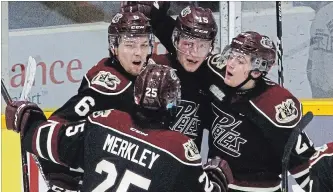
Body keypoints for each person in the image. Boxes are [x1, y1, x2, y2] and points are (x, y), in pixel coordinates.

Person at [5, 64, 232, 192]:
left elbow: (47, 141)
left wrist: (28, 119)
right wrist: (217, 178)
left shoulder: (103, 122)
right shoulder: (180, 150)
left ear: (136, 96)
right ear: (174, 105)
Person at [14, 11, 156, 191]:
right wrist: (34, 127)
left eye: (144, 45)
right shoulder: (108, 86)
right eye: (130, 45)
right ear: (114, 47)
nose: (139, 53)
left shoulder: (148, 74)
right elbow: (60, 123)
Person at [206, 31, 333, 192]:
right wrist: (162, 20)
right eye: (231, 55)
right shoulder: (217, 73)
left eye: (240, 61)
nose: (230, 63)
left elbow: (304, 167)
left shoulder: (274, 105)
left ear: (257, 71)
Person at [121, 3, 218, 149]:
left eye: (202, 45)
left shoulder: (212, 77)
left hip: (185, 164)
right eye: (188, 44)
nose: (195, 52)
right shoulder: (152, 69)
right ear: (175, 40)